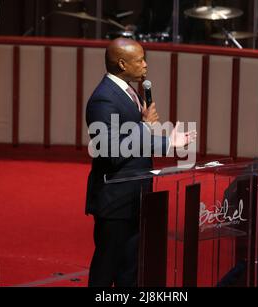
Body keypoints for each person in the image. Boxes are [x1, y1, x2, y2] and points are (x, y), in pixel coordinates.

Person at [85, 38, 196, 287]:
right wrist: (145, 126)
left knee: (130, 270)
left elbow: (134, 140)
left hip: (136, 197)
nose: (146, 65)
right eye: (140, 60)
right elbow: (110, 150)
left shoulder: (127, 89)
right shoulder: (103, 99)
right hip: (115, 201)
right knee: (106, 269)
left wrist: (168, 143)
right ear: (122, 63)